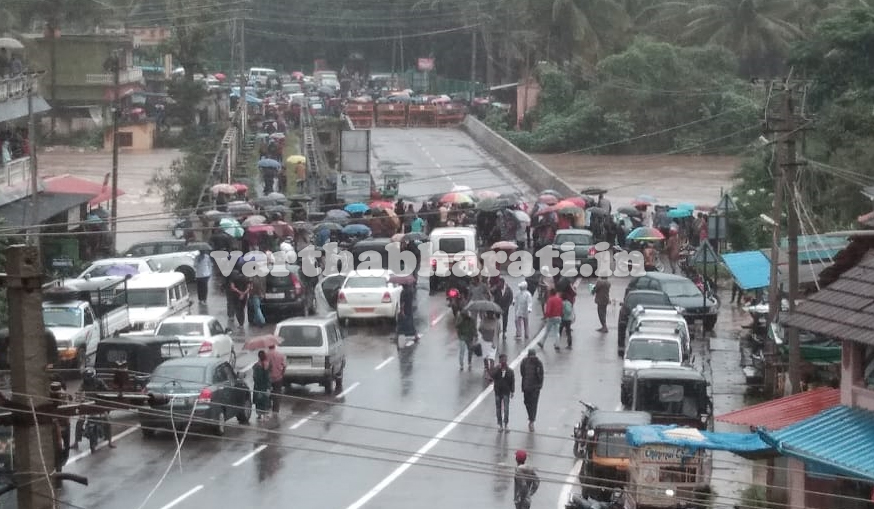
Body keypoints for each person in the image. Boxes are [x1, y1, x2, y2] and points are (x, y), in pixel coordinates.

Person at [73, 368, 114, 449]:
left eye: (89, 377)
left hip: (99, 404)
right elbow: (79, 391)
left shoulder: (99, 382)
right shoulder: (83, 384)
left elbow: (107, 390)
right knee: (80, 421)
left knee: (108, 421)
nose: (88, 379)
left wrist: (105, 394)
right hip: (88, 404)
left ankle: (110, 442)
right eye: (86, 377)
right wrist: (78, 398)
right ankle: (76, 442)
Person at [519, 349, 544, 432]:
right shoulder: (524, 362)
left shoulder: (538, 363)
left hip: (535, 388)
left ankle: (532, 420)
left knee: (534, 404)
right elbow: (522, 373)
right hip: (526, 387)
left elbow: (541, 375)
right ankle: (530, 417)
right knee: (526, 402)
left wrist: (539, 385)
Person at [491, 353, 514, 431]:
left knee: (506, 409)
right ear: (500, 360)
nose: (504, 361)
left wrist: (512, 391)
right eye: (503, 360)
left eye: (505, 360)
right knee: (498, 408)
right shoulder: (497, 369)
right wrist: (498, 369)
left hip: (506, 392)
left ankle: (506, 424)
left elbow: (512, 381)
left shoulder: (509, 370)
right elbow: (492, 376)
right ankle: (500, 424)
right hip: (498, 391)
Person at [267, 344, 286, 413]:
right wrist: (282, 374)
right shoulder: (280, 355)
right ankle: (276, 410)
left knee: (267, 392)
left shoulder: (266, 355)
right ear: (274, 346)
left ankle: (267, 407)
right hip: (278, 377)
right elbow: (284, 366)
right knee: (277, 393)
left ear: (268, 346)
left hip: (268, 378)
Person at [479, 311, 499, 379]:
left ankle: (488, 372)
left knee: (486, 357)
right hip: (493, 340)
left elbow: (480, 329)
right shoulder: (496, 321)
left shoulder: (483, 320)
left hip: (485, 340)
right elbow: (499, 330)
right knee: (492, 357)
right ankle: (491, 373)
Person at [253, 350, 271, 419]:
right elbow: (268, 378)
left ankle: (259, 415)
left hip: (258, 387)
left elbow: (254, 377)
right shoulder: (267, 365)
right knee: (266, 400)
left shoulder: (256, 366)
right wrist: (268, 388)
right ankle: (265, 415)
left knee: (258, 401)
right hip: (265, 386)